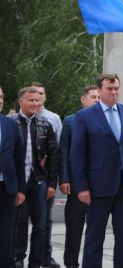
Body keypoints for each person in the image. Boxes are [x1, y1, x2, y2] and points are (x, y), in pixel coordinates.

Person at [71, 73, 123, 268]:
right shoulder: (84, 116)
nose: (114, 92)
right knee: (95, 237)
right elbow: (78, 154)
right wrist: (81, 187)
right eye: (109, 89)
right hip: (97, 187)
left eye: (116, 89)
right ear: (99, 90)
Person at [13, 87, 59, 268]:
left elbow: (54, 156)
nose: (35, 104)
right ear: (20, 102)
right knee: (19, 222)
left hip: (39, 181)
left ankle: (36, 262)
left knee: (41, 225)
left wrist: (52, 184)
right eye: (31, 100)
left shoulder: (45, 125)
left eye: (37, 101)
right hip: (18, 182)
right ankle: (17, 258)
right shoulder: (11, 123)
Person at [59, 85, 100, 268]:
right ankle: (71, 263)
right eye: (93, 96)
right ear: (83, 99)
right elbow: (64, 151)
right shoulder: (70, 121)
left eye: (99, 97)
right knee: (74, 227)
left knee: (95, 227)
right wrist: (65, 178)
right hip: (76, 183)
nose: (97, 100)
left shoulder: (104, 119)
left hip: (99, 182)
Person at [31, 82, 62, 268]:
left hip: (45, 179)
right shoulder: (16, 120)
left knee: (45, 221)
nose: (38, 98)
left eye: (41, 94)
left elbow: (56, 150)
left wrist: (54, 180)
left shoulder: (53, 119)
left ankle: (45, 256)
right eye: (34, 95)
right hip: (25, 179)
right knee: (20, 221)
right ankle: (17, 257)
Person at [0, 86, 26, 267]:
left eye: (1, 96)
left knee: (6, 237)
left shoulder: (10, 124)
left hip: (6, 189)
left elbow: (19, 159)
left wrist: (21, 189)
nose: (0, 100)